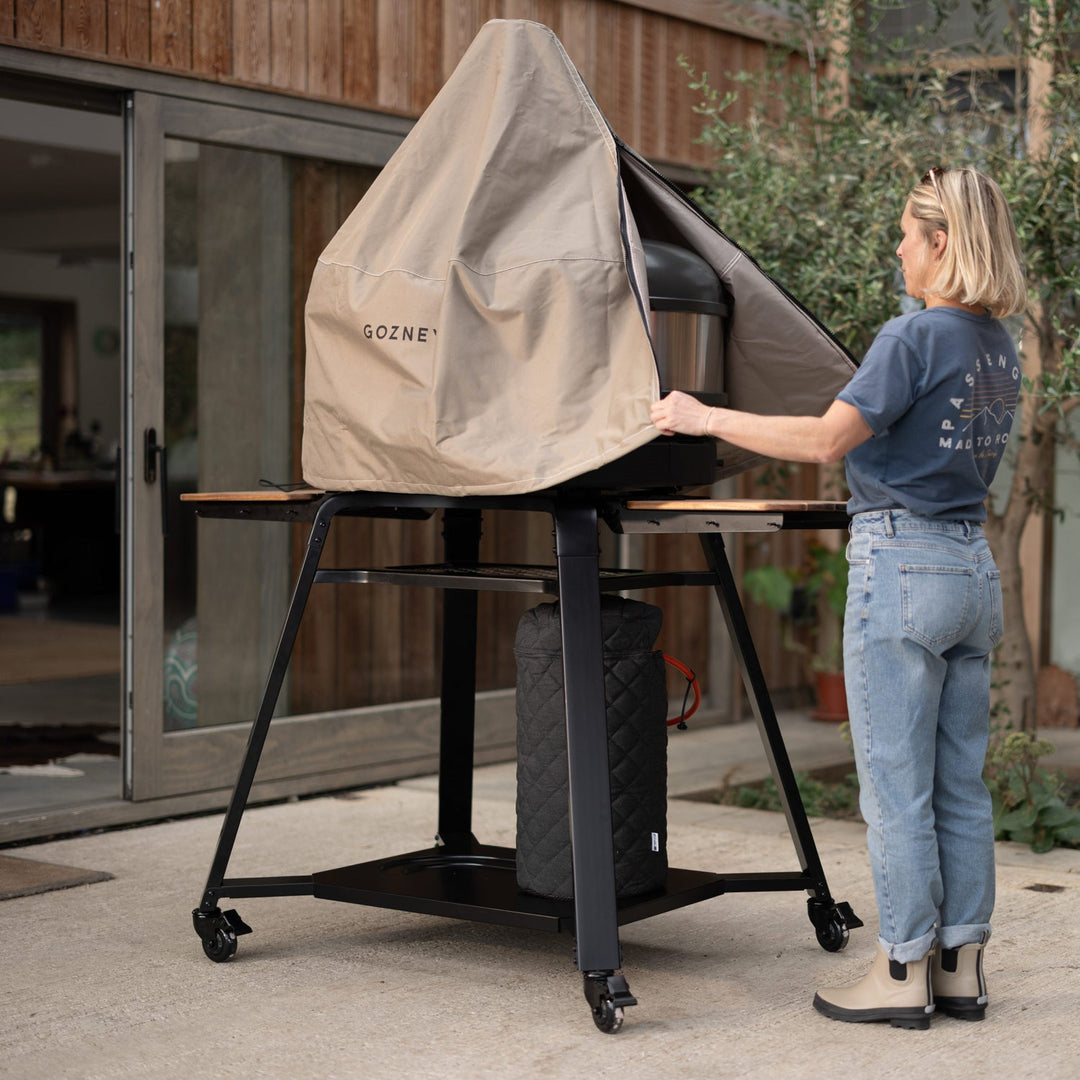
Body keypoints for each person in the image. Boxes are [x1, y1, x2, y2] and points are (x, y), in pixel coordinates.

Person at [651, 166, 1027, 1030]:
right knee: (960, 785)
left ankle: (899, 972)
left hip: (902, 567)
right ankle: (959, 965)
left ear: (942, 243)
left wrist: (701, 417)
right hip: (972, 570)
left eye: (908, 233)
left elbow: (827, 439)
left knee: (897, 790)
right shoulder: (996, 344)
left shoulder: (915, 335)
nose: (898, 248)